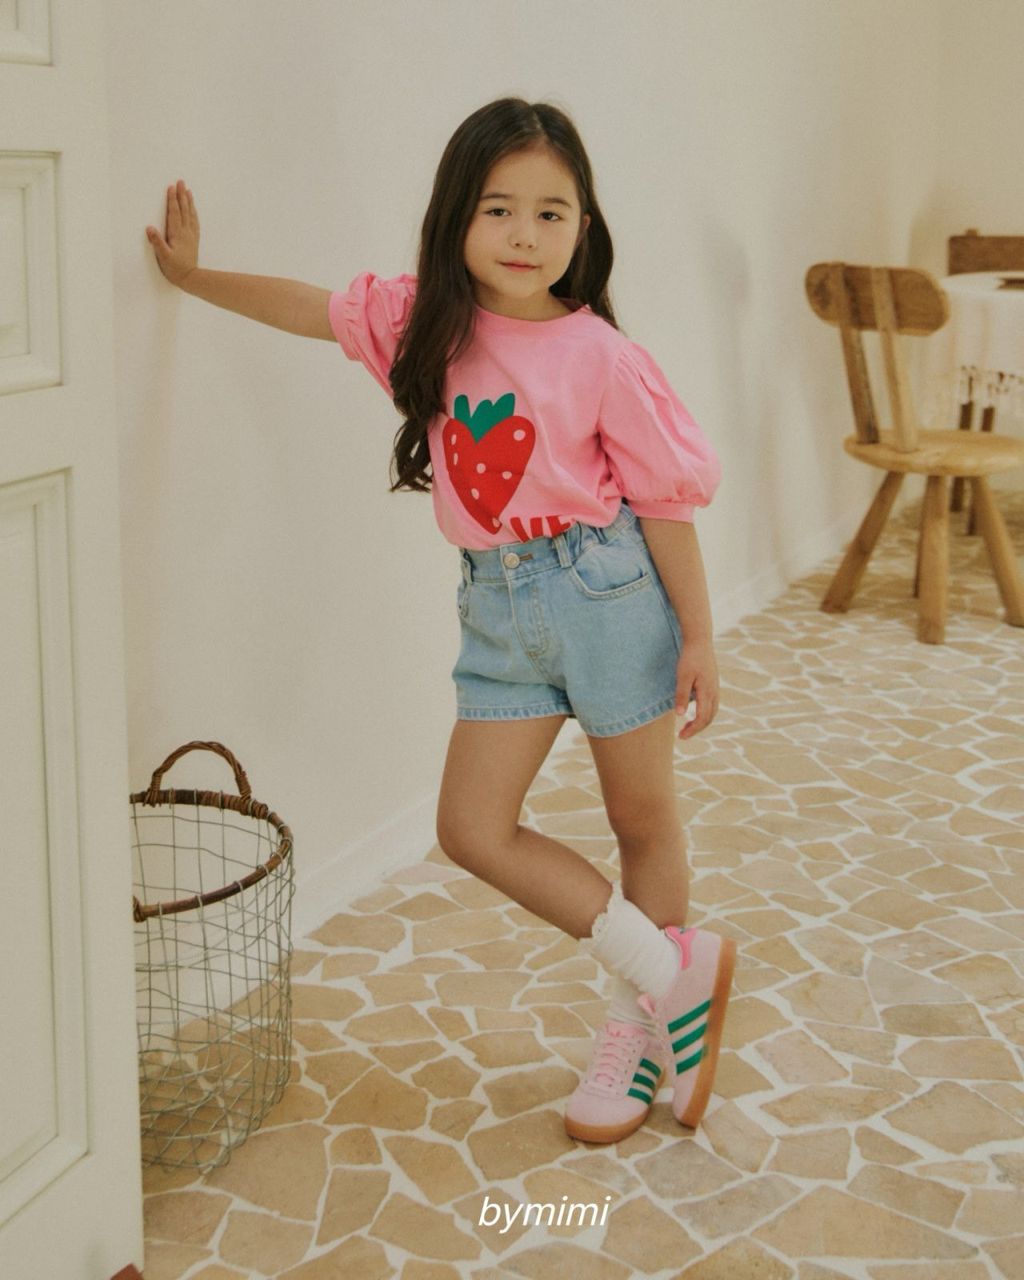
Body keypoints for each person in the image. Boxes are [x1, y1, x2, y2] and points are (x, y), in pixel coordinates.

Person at [146, 96, 735, 1144]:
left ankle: (639, 1031)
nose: (524, 234)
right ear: (456, 215)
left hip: (608, 595)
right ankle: (667, 971)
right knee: (470, 826)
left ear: (585, 227)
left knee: (642, 821)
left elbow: (663, 504)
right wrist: (194, 280)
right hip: (497, 606)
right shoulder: (423, 322)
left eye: (552, 213)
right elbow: (309, 307)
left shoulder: (601, 353)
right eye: (499, 208)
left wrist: (698, 634)